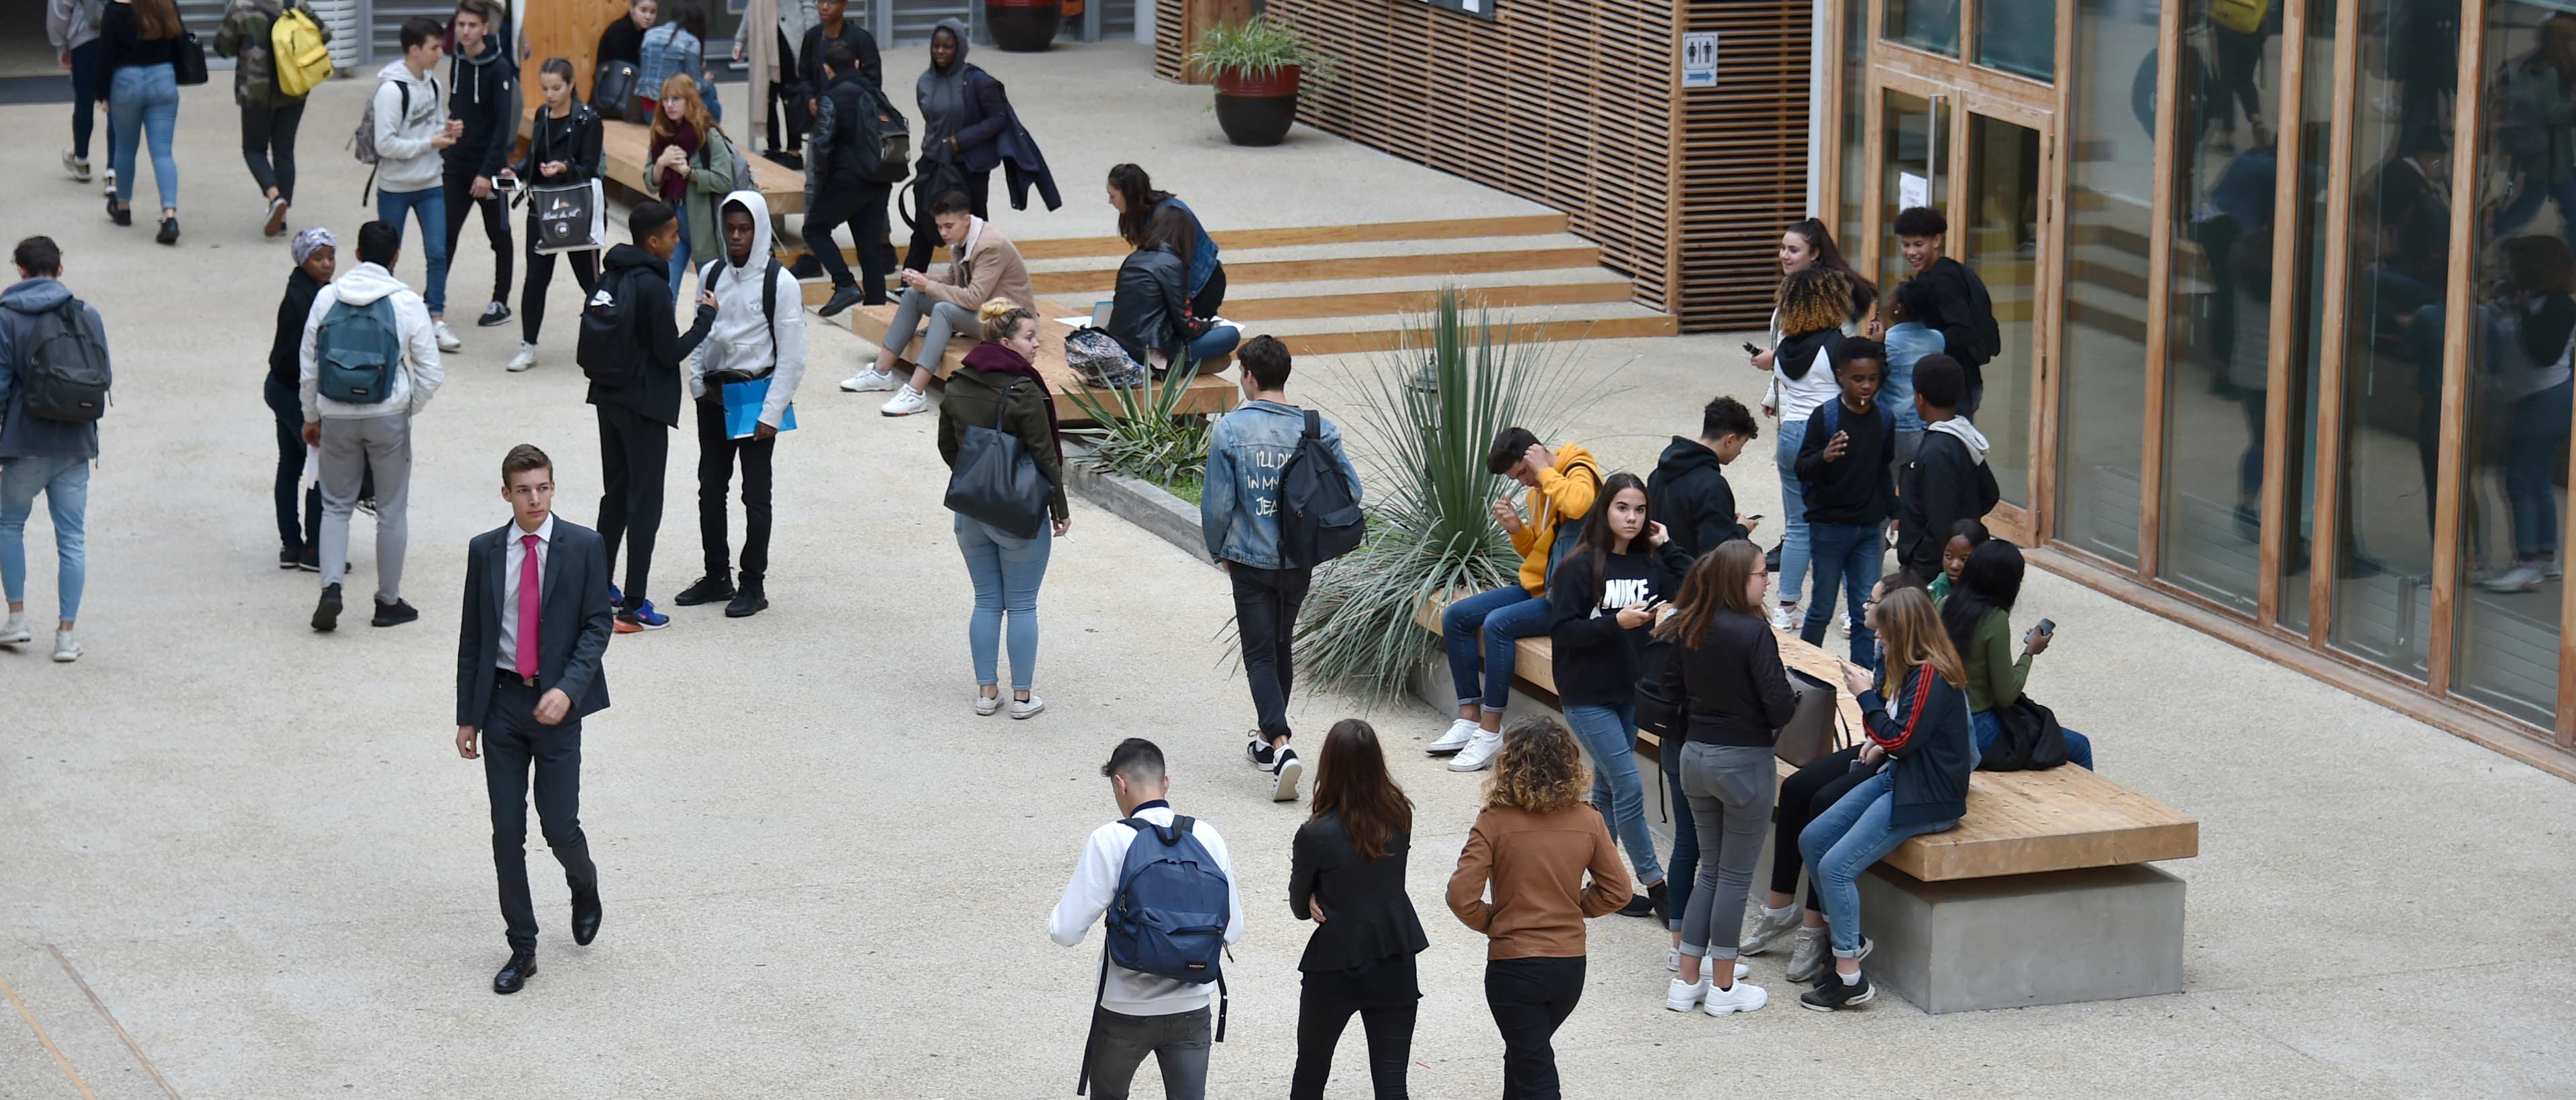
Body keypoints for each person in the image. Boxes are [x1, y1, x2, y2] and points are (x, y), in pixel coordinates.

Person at [453, 443, 615, 995]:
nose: (535, 498)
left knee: (558, 825)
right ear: (507, 494)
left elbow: (597, 625)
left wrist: (568, 691)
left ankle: (583, 882)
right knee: (507, 831)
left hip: (556, 708)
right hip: (500, 705)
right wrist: (467, 717)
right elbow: (473, 638)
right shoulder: (485, 550)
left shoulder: (584, 546)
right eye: (524, 490)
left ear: (553, 488)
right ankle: (523, 947)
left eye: (543, 487)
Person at [1746, 569, 1927, 985]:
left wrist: (1879, 731)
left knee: (1823, 802)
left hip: (1901, 758)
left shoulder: (1922, 660)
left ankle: (1814, 929)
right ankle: (1779, 909)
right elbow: (1888, 712)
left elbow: (1912, 727)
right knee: (1795, 788)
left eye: (1873, 601)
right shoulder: (1887, 647)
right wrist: (1878, 735)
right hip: (1882, 743)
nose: (1865, 606)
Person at [1799, 586, 1975, 1011]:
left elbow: (1901, 735)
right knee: (1813, 838)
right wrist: (1881, 744)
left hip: (1925, 795)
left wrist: (1864, 695)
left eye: (1884, 635)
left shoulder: (1931, 674)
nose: (1878, 641)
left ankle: (1849, 977)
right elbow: (1901, 736)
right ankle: (1850, 940)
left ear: (1905, 633)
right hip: (1900, 775)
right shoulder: (1912, 668)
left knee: (1836, 868)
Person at [1201, 336, 1359, 800]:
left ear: (1248, 375)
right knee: (1280, 644)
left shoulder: (1230, 430)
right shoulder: (1318, 428)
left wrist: (1219, 549)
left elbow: (1217, 505)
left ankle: (1283, 744)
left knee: (1260, 655)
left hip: (1250, 558)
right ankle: (1266, 743)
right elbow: (1351, 491)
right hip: (1297, 560)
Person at [1445, 716, 1631, 1099]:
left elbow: (1461, 896)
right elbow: (1618, 892)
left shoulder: (1493, 822)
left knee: (1534, 1070)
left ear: (1507, 764)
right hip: (1568, 970)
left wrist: (1497, 920)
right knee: (1525, 1058)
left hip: (1513, 969)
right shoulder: (1590, 820)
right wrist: (1572, 905)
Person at [1050, 737, 1244, 1100]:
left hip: (1124, 1009)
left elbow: (1065, 932)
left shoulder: (1110, 840)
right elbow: (1233, 929)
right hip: (1192, 1007)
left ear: (1120, 784)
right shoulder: (1207, 836)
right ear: (1166, 782)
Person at [1652, 539, 1796, 1017]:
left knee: (1708, 870)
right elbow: (1779, 705)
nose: (1768, 579)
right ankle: (1725, 987)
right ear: (1740, 580)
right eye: (1761, 573)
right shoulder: (1753, 635)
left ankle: (1686, 980)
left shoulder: (1686, 624)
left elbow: (1670, 692)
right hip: (1742, 762)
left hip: (1694, 756)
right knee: (1733, 877)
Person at [1546, 472, 1689, 918]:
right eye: (1622, 508)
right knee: (1628, 785)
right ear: (1605, 510)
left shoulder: (1648, 564)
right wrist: (1615, 624)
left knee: (1608, 790)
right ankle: (1656, 884)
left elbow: (1693, 586)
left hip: (1630, 692)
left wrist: (1668, 546)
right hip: (1587, 694)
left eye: (1640, 510)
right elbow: (1562, 631)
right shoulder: (1580, 565)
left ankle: (1596, 885)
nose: (1631, 518)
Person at [299, 220, 443, 633]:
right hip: (388, 413)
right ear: (396, 256)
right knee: (392, 509)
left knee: (335, 505)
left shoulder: (328, 298)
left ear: (357, 255)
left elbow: (309, 366)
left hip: (336, 414)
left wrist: (312, 417)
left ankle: (330, 587)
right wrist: (405, 408)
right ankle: (388, 601)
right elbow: (431, 373)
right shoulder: (406, 302)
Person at [1431, 427, 1601, 771]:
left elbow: (1580, 503)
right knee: (1457, 616)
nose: (1524, 482)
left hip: (1574, 600)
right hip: (1544, 586)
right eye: (1518, 477)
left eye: (1522, 473)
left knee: (1498, 625)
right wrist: (1516, 530)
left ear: (1535, 454)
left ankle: (1491, 730)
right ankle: (1468, 719)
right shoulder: (1539, 493)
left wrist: (1544, 471)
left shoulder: (1578, 469)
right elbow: (1538, 554)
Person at [937, 300, 1069, 719]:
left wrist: (977, 478)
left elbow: (947, 446)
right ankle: (1024, 698)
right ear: (1006, 340)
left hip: (971, 512)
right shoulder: (1026, 390)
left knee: (987, 600)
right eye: (1030, 337)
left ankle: (986, 691)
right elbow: (1047, 458)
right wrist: (1059, 509)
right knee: (1024, 604)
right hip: (1017, 515)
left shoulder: (958, 381)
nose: (1037, 345)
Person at [676, 192, 806, 620]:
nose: (736, 236)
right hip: (713, 396)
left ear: (760, 230)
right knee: (710, 489)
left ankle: (754, 583)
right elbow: (699, 329)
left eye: (744, 229)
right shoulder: (711, 271)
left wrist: (771, 412)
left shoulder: (780, 283)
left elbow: (792, 355)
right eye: (730, 228)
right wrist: (695, 381)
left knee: (756, 495)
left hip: (754, 397)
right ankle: (717, 575)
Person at [592, 201, 716, 634]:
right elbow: (669, 354)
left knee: (615, 495)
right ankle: (632, 605)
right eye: (673, 235)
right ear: (653, 241)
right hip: (643, 407)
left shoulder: (612, 273)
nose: (678, 240)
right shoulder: (652, 287)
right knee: (645, 504)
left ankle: (599, 589)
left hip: (608, 399)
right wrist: (705, 320)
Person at [1288, 720, 1428, 1100]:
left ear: (1329, 766)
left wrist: (1314, 896)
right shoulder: (1401, 816)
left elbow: (1299, 905)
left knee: (1310, 1076)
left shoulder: (1315, 833)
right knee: (1392, 1083)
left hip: (1335, 963)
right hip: (1394, 956)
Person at [0, 236, 105, 665]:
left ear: (20, 271)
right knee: (72, 539)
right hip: (74, 443)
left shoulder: (6, 317)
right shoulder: (85, 313)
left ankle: (17, 619)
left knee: (9, 526)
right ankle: (66, 636)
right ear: (60, 271)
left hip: (25, 443)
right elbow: (104, 376)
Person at [839, 190, 1036, 417]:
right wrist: (923, 279)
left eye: (948, 226)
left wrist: (930, 286)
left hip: (1010, 323)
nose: (943, 232)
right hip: (986, 312)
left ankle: (915, 392)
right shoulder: (961, 241)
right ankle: (881, 372)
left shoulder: (990, 245)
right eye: (940, 227)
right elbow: (952, 282)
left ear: (967, 220)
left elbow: (973, 298)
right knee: (914, 295)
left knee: (944, 310)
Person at [1762, 266, 1859, 633]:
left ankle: (1786, 608)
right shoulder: (1837, 346)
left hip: (1791, 435)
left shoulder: (1785, 349)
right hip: (1830, 436)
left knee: (1798, 525)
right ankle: (1854, 610)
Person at [1941, 540, 2096, 769]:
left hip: (1939, 721)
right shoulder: (1995, 619)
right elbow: (2006, 694)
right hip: (1976, 728)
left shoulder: (1942, 604)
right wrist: (2029, 653)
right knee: (2080, 746)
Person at [2477, 235, 2576, 592]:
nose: (2509, 271)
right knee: (2535, 481)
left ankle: (2527, 564)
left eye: (2514, 264)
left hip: (2546, 399)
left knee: (2520, 480)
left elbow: (2543, 353)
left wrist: (2521, 310)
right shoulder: (2532, 300)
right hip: (2532, 398)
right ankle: (2546, 557)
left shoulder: (2559, 307)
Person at [498, 58, 606, 373]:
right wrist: (516, 172)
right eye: (545, 88)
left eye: (556, 88)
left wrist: (564, 168)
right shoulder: (543, 115)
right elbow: (535, 157)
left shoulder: (588, 119)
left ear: (571, 84)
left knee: (591, 280)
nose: (550, 95)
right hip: (543, 205)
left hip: (578, 205)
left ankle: (610, 341)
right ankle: (528, 345)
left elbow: (591, 167)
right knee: (535, 279)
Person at [372, 17, 465, 353]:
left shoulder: (433, 83)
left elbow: (435, 124)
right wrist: (430, 144)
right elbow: (385, 144)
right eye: (435, 47)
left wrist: (447, 130)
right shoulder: (390, 91)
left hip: (431, 183)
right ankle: (385, 320)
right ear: (414, 50)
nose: (441, 53)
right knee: (386, 258)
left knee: (438, 252)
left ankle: (435, 318)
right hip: (396, 185)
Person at [902, 19, 1013, 272]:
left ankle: (983, 279)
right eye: (936, 46)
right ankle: (909, 285)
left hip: (968, 167)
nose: (940, 52)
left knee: (973, 227)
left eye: (948, 47)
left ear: (960, 49)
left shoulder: (977, 82)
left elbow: (998, 119)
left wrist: (960, 141)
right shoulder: (925, 82)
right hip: (933, 163)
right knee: (924, 225)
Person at [214, 0, 330, 237]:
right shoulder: (295, 3)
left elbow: (222, 47)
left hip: (256, 91)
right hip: (294, 88)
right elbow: (325, 34)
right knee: (284, 150)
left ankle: (274, 196)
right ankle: (283, 217)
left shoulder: (241, 8)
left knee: (254, 150)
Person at [804, 39, 896, 318]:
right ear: (857, 64)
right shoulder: (874, 92)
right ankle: (879, 315)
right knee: (869, 249)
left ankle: (844, 284)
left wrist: (819, 188)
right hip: (880, 179)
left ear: (827, 69)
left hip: (847, 180)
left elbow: (821, 146)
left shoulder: (831, 97)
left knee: (814, 230)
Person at [442, 0, 517, 331]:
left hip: (489, 170)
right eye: (461, 25)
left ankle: (500, 300)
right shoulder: (457, 61)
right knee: (443, 236)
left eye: (472, 25)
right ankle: (433, 301)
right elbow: (455, 106)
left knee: (499, 236)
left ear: (486, 28)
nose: (466, 31)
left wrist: (487, 173)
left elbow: (503, 126)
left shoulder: (499, 68)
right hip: (455, 166)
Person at [1893, 354, 1998, 586]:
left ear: (1920, 398)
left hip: (1930, 574)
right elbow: (1990, 493)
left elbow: (1941, 524)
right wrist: (1968, 521)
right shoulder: (1964, 436)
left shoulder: (1936, 451)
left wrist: (1918, 572)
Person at [264, 228, 335, 571]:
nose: (327, 265)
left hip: (280, 387)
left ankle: (290, 545)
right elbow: (305, 363)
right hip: (293, 392)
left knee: (290, 465)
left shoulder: (306, 290)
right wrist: (312, 412)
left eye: (330, 257)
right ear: (302, 260)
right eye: (317, 258)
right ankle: (314, 549)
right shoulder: (307, 300)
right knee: (320, 469)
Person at [1892, 206, 2000, 418]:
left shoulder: (1944, 279)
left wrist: (1926, 343)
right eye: (1906, 245)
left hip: (1955, 387)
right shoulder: (1937, 272)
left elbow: (1963, 330)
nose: (1911, 252)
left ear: (1936, 241)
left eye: (1918, 244)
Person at [1106, 205, 1240, 376]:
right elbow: (1187, 326)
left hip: (1124, 348)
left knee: (1221, 360)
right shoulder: (1172, 264)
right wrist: (1208, 326)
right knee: (1230, 335)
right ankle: (1168, 372)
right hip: (1154, 355)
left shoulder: (1133, 259)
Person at [96, 0, 185, 244]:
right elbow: (179, 41)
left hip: (127, 81)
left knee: (125, 148)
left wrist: (102, 93)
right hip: (163, 78)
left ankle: (123, 207)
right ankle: (169, 215)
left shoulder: (115, 8)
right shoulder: (165, 4)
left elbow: (105, 53)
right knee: (163, 152)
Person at [644, 74, 737, 301]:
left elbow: (725, 180)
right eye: (665, 99)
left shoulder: (707, 134)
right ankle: (666, 337)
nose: (669, 105)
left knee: (712, 294)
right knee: (666, 293)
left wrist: (689, 173)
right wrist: (661, 163)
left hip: (703, 224)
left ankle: (713, 336)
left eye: (676, 99)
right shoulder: (661, 135)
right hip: (672, 222)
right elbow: (649, 182)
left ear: (689, 101)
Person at [1646, 394, 1759, 559]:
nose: (1740, 452)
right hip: (1691, 578)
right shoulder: (1712, 486)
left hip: (1658, 573)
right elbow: (1719, 552)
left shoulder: (1659, 473)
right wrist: (1742, 529)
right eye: (1741, 445)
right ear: (1730, 440)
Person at [1108, 164, 1225, 315]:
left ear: (1129, 194)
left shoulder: (1170, 217)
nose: (1110, 202)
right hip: (1188, 284)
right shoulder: (1141, 211)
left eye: (1113, 196)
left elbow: (1168, 269)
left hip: (1202, 288)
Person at [731, 0, 814, 156]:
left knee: (791, 98)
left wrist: (811, 38)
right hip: (763, 44)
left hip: (791, 41)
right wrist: (740, 40)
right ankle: (773, 148)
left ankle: (794, 151)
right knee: (766, 97)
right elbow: (752, 8)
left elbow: (808, 6)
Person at [1881, 277, 1943, 472]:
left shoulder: (1888, 342)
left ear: (1898, 307)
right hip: (1925, 425)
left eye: (1890, 299)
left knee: (1886, 488)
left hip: (1895, 426)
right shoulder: (1937, 339)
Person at [49, 0, 111, 187]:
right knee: (117, 105)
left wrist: (60, 45)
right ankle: (114, 170)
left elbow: (58, 11)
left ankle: (81, 160)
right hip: (118, 37)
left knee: (84, 101)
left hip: (83, 41)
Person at [636, 0, 720, 123]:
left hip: (648, 110)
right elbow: (695, 86)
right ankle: (712, 136)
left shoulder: (650, 34)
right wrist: (707, 81)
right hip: (671, 112)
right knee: (710, 91)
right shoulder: (691, 41)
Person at [791, 0, 881, 111]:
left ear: (845, 5)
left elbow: (873, 81)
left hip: (854, 111)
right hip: (821, 109)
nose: (824, 7)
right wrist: (810, 98)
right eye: (820, 2)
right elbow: (804, 74)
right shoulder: (812, 37)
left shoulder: (862, 39)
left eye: (832, 2)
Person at [1929, 518, 1988, 601]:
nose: (1954, 566)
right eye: (1949, 556)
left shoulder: (1988, 594)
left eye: (1964, 559)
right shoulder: (1934, 593)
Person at [594, 0, 653, 72]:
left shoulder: (644, 33)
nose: (648, 16)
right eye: (643, 10)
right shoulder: (620, 32)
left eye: (653, 12)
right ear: (632, 8)